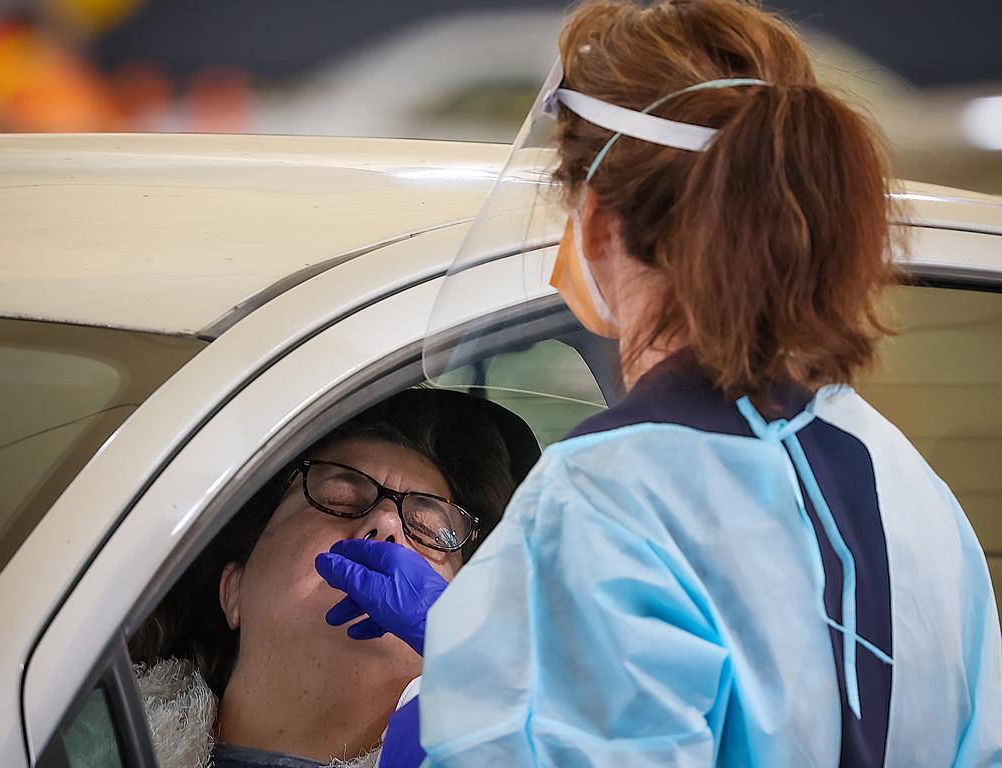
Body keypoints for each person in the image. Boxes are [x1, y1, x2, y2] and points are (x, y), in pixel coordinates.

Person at [334, 1, 1002, 766]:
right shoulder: (910, 489)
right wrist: (491, 643)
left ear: (601, 224)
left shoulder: (607, 495)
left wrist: (459, 692)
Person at [128, 387, 539, 768]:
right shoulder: (88, 732)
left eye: (430, 528)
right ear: (234, 588)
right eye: (338, 499)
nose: (385, 524)